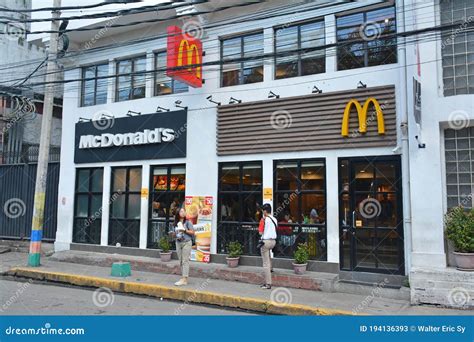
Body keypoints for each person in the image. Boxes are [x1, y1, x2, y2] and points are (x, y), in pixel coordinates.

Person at [169, 208, 194, 286]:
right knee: (180, 261)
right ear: (178, 213)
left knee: (185, 261)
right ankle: (183, 278)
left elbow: (193, 232)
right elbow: (174, 233)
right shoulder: (175, 223)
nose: (183, 213)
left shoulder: (188, 222)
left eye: (184, 211)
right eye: (181, 211)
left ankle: (185, 279)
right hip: (178, 242)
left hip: (186, 242)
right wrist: (173, 234)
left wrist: (184, 231)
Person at [260, 203, 277, 289]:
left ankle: (268, 284)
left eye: (263, 211)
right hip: (273, 242)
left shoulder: (264, 219)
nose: (263, 213)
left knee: (265, 263)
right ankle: (271, 269)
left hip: (266, 242)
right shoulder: (274, 219)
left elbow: (260, 232)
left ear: (265, 211)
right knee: (269, 256)